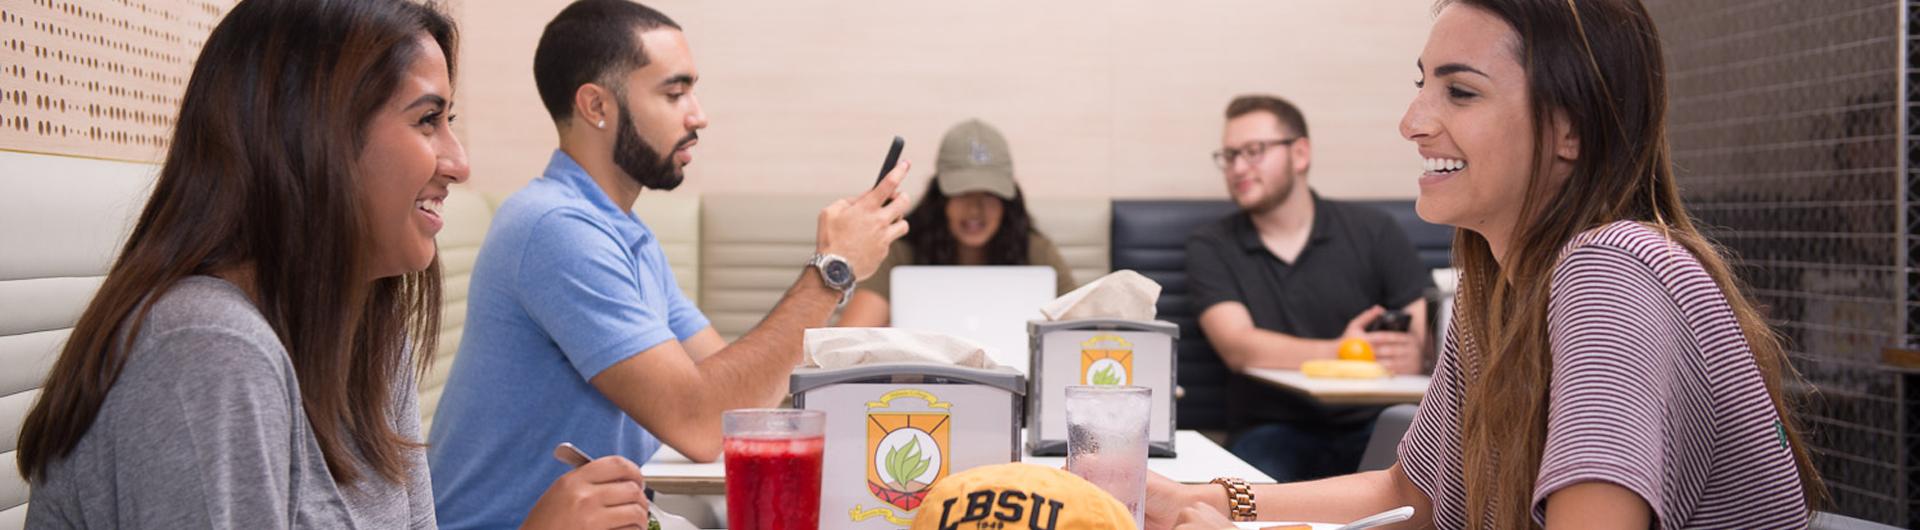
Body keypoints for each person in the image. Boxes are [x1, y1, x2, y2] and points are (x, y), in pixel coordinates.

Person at [1151, 0, 1823, 528]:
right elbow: (1415, 494)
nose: (1412, 121)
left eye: (1460, 93)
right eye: (1423, 87)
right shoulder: (1496, 287)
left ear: (1571, 129)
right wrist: (1187, 497)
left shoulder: (1612, 273)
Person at [15, 1, 648, 528]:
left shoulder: (370, 324)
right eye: (428, 120)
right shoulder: (208, 346)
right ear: (313, 136)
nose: (458, 162)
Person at [424, 1, 910, 527]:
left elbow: (736, 407)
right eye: (674, 93)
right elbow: (701, 424)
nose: (698, 115)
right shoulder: (555, 229)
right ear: (596, 106)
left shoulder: (624, 234)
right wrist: (831, 272)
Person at [1186, 94, 1432, 483]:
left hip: (1376, 420)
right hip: (1272, 428)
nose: (1237, 168)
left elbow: (1423, 330)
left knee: (1426, 474)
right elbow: (1238, 346)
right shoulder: (1212, 245)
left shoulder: (1373, 230)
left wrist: (1413, 352)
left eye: (1253, 151)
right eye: (1229, 156)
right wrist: (1342, 353)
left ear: (1299, 154)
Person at [838, 118, 1077, 327]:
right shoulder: (901, 250)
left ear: (1008, 200)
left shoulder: (1036, 251)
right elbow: (849, 339)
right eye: (963, 194)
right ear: (940, 198)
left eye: (989, 195)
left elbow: (1082, 332)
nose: (975, 210)